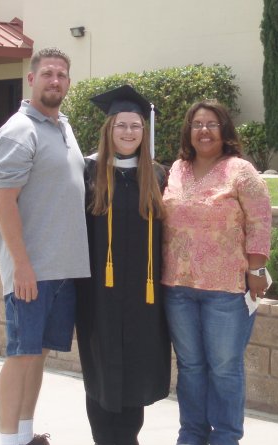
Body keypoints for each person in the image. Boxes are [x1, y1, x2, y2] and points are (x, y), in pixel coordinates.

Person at [0, 48, 90, 445]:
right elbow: (4, 202)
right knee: (21, 355)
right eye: (47, 74)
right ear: (30, 80)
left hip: (62, 270)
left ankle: (28, 435)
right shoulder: (19, 130)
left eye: (62, 75)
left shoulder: (62, 125)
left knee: (39, 353)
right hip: (32, 271)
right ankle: (9, 440)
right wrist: (23, 266)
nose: (55, 81)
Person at [161, 100, 272, 445]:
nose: (204, 131)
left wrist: (258, 269)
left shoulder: (240, 171)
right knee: (191, 367)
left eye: (211, 124)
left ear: (225, 130)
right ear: (188, 131)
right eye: (197, 124)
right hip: (177, 286)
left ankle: (225, 437)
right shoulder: (176, 169)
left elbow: (260, 222)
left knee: (224, 368)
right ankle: (192, 434)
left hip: (225, 288)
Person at [75, 85, 171, 445]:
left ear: (144, 132)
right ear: (109, 129)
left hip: (144, 297)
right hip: (98, 294)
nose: (128, 132)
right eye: (121, 125)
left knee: (136, 370)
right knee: (101, 372)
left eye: (135, 126)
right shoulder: (88, 172)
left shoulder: (158, 176)